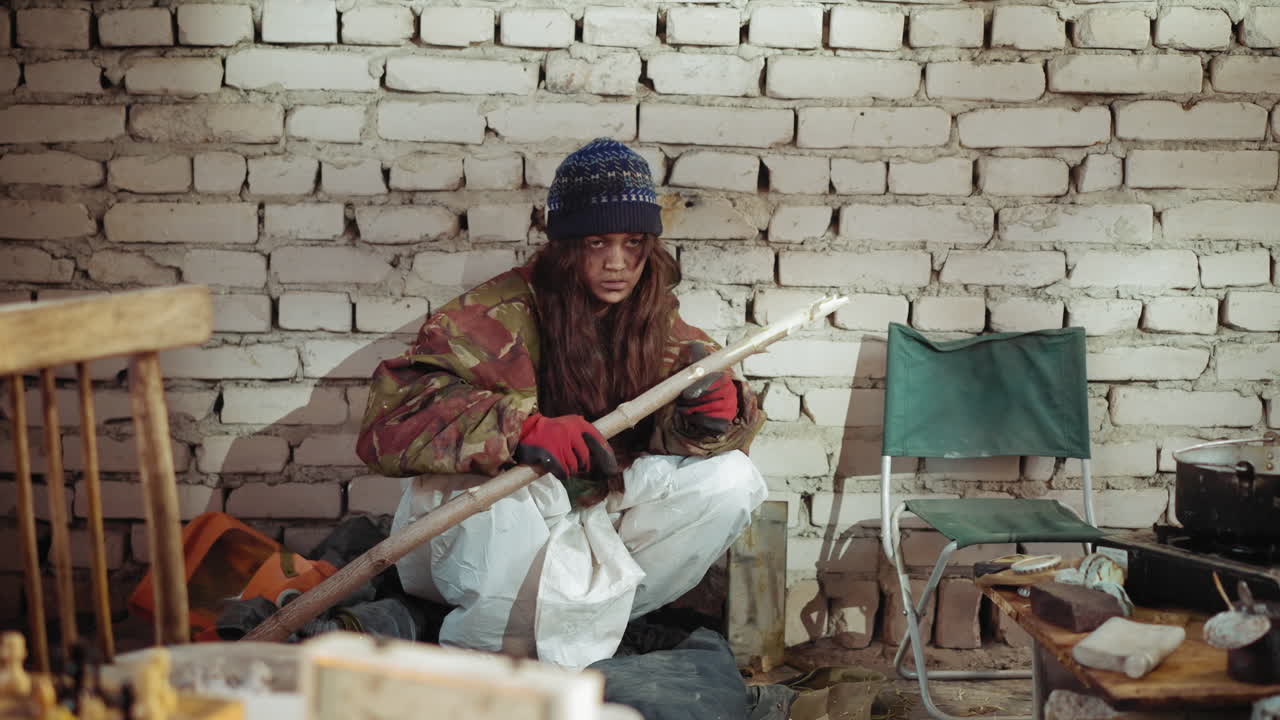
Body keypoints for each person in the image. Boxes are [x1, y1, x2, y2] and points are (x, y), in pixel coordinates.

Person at [355, 138, 767, 668]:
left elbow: (697, 433)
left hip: (586, 520)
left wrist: (714, 417)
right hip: (480, 534)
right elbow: (387, 424)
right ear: (565, 245)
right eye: (597, 243)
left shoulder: (656, 320)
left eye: (634, 242)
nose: (618, 263)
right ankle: (493, 669)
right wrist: (519, 431)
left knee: (730, 480)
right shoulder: (490, 315)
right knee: (502, 498)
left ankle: (582, 633)